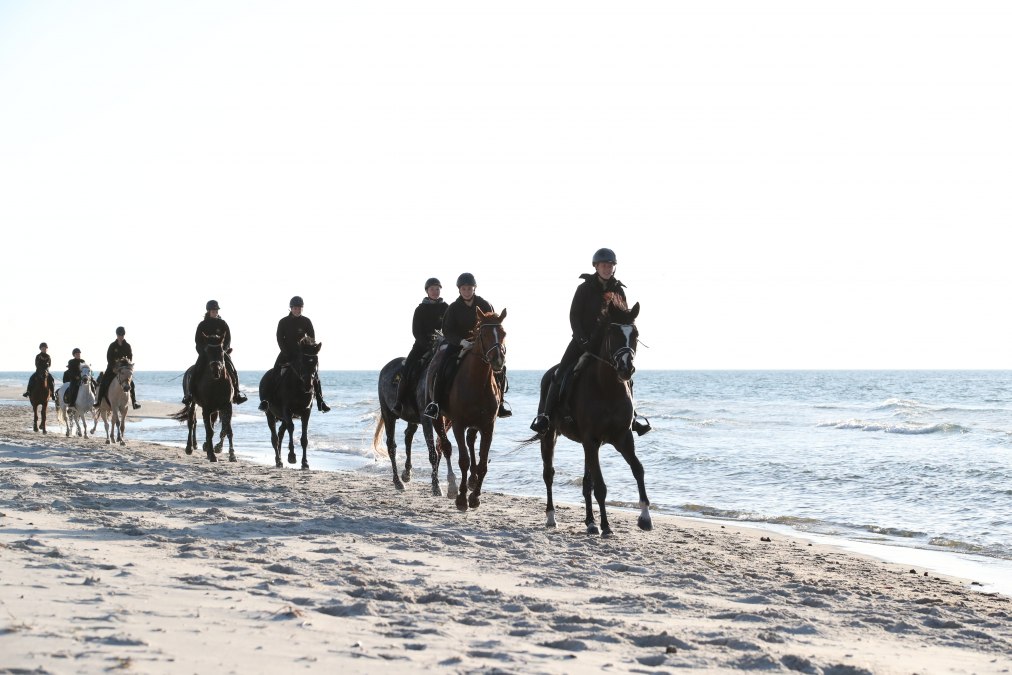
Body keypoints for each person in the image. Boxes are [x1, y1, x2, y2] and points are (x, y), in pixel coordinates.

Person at [529, 248, 651, 436]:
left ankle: (632, 418)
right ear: (596, 267)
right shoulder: (584, 288)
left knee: (626, 376)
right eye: (603, 265)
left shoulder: (618, 289)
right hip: (582, 341)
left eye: (610, 266)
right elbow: (574, 316)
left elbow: (625, 317)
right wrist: (582, 339)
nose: (607, 269)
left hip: (609, 344)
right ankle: (545, 416)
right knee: (559, 374)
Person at [423, 272, 511, 419]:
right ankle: (436, 404)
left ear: (474, 289)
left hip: (483, 346)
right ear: (459, 290)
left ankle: (500, 403)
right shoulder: (453, 308)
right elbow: (447, 330)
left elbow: (493, 324)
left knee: (500, 366)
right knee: (442, 365)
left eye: (469, 288)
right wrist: (461, 342)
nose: (467, 291)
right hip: (459, 344)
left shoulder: (484, 304)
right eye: (464, 289)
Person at [258, 296, 330, 413]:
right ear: (291, 308)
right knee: (275, 372)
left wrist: (309, 350)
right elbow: (279, 338)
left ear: (302, 309)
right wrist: (286, 352)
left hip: (303, 355)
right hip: (286, 353)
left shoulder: (306, 321)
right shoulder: (283, 322)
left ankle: (320, 401)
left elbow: (311, 338)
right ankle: (266, 401)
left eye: (299, 308)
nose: (297, 310)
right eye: (295, 308)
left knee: (314, 374)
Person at [392, 277, 447, 415]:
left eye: (437, 289)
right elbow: (416, 331)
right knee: (408, 367)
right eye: (432, 289)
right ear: (427, 291)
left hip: (442, 344)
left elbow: (450, 327)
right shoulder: (420, 309)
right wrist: (428, 344)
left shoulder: (446, 307)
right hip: (422, 345)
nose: (435, 291)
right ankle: (398, 402)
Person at [182, 300, 248, 405]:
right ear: (208, 311)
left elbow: (228, 339)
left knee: (232, 369)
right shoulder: (202, 325)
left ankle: (237, 394)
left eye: (216, 310)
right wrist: (203, 351)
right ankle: (189, 394)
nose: (215, 312)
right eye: (213, 310)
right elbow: (198, 341)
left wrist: (224, 350)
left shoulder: (222, 323)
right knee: (196, 369)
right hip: (206, 353)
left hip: (220, 352)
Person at [95, 326, 140, 409]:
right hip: (112, 369)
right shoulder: (112, 345)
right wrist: (114, 367)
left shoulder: (127, 346)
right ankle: (98, 401)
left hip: (124, 369)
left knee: (131, 383)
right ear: (117, 335)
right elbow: (109, 357)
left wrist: (126, 365)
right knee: (104, 382)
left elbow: (130, 357)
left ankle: (134, 402)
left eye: (122, 335)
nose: (121, 336)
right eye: (119, 335)